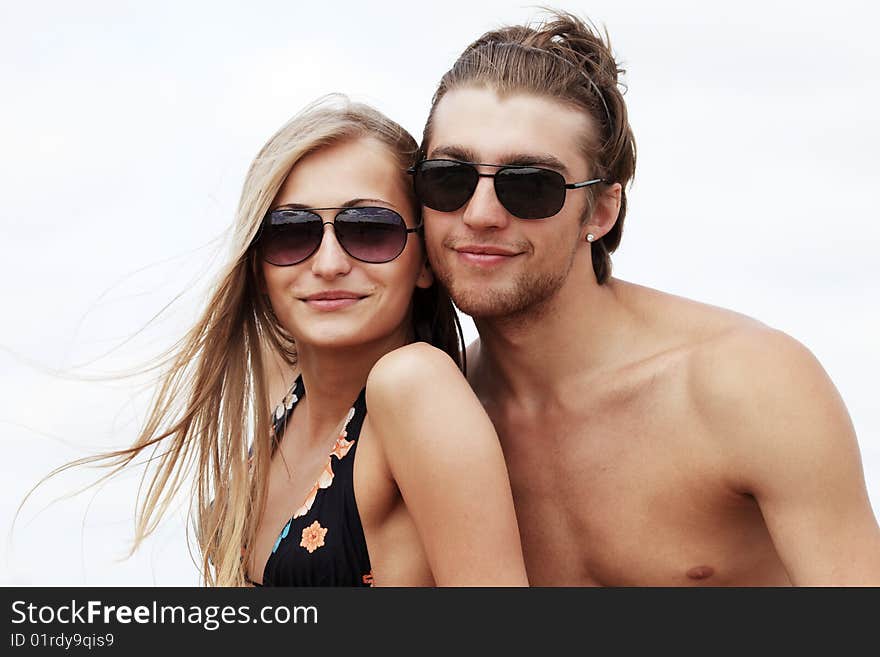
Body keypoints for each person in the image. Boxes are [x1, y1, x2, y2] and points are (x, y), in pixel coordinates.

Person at [411, 11, 880, 585]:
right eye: (448, 178)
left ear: (601, 212)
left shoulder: (748, 385)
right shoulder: (434, 422)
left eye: (530, 185)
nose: (481, 214)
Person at [47, 96, 527, 587]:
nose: (328, 264)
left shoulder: (414, 388)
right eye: (290, 233)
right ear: (258, 263)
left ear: (424, 259)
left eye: (369, 230)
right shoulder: (280, 390)